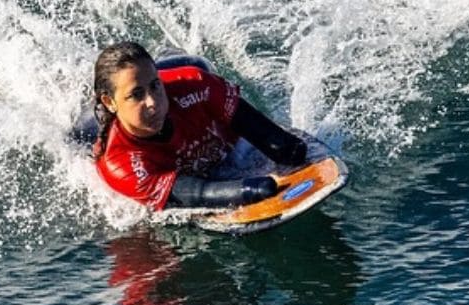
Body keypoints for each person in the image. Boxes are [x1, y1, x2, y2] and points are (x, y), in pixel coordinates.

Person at [90, 41, 309, 210]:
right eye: (136, 95)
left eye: (155, 86)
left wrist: (288, 151)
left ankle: (161, 65)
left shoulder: (196, 84)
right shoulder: (120, 163)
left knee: (199, 65)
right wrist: (253, 189)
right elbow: (199, 192)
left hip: (185, 70)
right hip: (102, 129)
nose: (153, 103)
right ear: (109, 102)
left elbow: (275, 141)